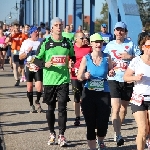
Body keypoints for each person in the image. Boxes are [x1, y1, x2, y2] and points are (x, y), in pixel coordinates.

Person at [33, 17, 76, 147]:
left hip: (63, 80)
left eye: (60, 25)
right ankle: (52, 134)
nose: (59, 27)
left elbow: (72, 56)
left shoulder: (67, 42)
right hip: (49, 80)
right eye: (56, 25)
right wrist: (44, 63)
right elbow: (36, 60)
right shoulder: (45, 42)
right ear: (52, 28)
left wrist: (71, 61)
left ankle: (62, 135)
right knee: (51, 108)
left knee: (62, 107)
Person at [104, 21, 141, 146]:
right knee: (116, 107)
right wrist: (109, 68)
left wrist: (129, 56)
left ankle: (117, 130)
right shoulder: (109, 45)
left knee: (124, 109)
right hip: (114, 79)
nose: (119, 32)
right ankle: (118, 134)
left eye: (122, 30)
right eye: (117, 30)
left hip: (127, 79)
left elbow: (140, 57)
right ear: (114, 31)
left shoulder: (130, 44)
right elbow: (104, 60)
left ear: (125, 32)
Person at [77, 33, 114, 150]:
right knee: (90, 123)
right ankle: (93, 148)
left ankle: (101, 141)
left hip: (104, 92)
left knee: (103, 121)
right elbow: (78, 76)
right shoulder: (86, 58)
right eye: (96, 42)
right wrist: (84, 75)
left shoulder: (107, 57)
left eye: (101, 42)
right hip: (89, 93)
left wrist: (111, 72)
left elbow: (110, 70)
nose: (99, 44)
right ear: (91, 44)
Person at [123, 35, 150, 150]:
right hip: (138, 99)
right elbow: (126, 77)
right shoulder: (136, 60)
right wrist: (135, 78)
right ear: (143, 47)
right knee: (143, 129)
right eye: (149, 45)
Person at [19, 26, 43, 113]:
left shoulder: (41, 41)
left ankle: (37, 101)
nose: (37, 33)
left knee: (39, 88)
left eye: (38, 32)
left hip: (38, 67)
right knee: (29, 87)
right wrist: (27, 52)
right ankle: (31, 105)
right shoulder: (26, 42)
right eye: (35, 32)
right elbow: (20, 57)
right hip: (29, 66)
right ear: (31, 33)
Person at [70, 32, 91, 126]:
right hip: (74, 76)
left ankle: (87, 115)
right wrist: (69, 65)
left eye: (85, 38)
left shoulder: (88, 48)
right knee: (76, 98)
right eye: (82, 38)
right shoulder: (72, 49)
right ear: (76, 40)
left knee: (86, 96)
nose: (84, 40)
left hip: (86, 75)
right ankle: (77, 117)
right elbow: (68, 60)